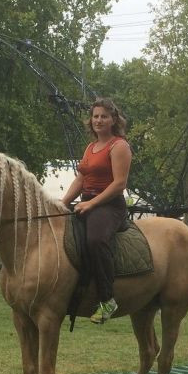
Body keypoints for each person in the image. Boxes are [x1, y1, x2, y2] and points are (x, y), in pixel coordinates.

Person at [61, 97, 132, 324]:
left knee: (95, 240)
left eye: (104, 116)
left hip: (110, 205)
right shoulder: (90, 148)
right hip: (86, 202)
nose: (99, 120)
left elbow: (119, 184)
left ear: (113, 120)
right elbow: (81, 179)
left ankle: (108, 300)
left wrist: (92, 204)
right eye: (95, 116)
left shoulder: (119, 145)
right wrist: (63, 203)